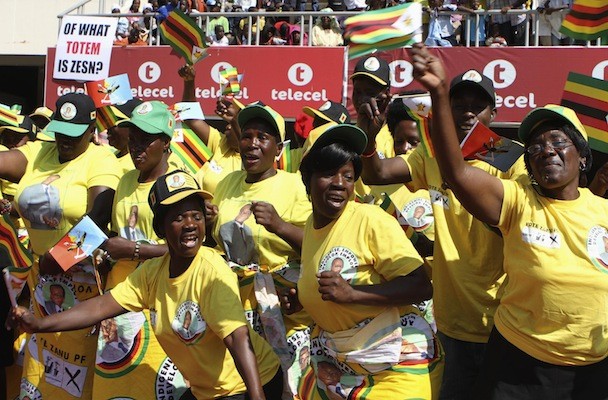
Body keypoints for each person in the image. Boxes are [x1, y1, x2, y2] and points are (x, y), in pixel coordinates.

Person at [409, 42, 608, 399]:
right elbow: (455, 172)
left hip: (591, 374)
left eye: (558, 141)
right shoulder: (517, 200)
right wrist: (439, 94)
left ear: (582, 157)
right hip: (517, 366)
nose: (546, 149)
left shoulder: (604, 213)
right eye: (534, 146)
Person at [8, 170, 283, 400]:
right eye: (178, 217)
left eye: (196, 216)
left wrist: (60, 258)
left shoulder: (101, 165)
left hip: (248, 383)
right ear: (161, 228)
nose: (189, 224)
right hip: (205, 388)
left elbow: (237, 338)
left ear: (164, 142)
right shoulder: (126, 182)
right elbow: (103, 305)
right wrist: (40, 324)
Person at [358, 66, 528, 399]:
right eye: (458, 103)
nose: (467, 112)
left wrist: (466, 186)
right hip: (451, 322)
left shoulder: (513, 158)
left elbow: (515, 229)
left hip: (504, 321)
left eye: (476, 106)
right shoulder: (431, 155)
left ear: (494, 112)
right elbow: (377, 173)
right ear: (445, 110)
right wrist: (368, 135)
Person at [293, 123, 443, 399]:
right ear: (307, 179)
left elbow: (421, 285)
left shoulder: (370, 219)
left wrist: (353, 294)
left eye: (348, 176)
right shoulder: (310, 228)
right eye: (328, 173)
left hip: (394, 371)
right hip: (342, 369)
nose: (339, 183)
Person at [0, 92, 121, 399]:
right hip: (41, 284)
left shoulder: (101, 158)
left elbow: (99, 218)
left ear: (92, 131)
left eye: (74, 134)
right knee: (42, 369)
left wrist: (61, 257)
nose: (64, 141)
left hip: (84, 288)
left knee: (78, 374)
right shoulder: (40, 151)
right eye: (60, 133)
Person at [211, 103, 312, 395]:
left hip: (284, 310)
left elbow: (320, 242)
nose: (252, 144)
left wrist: (280, 225)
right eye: (247, 136)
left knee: (288, 388)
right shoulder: (228, 183)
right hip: (236, 309)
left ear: (278, 148)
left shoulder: (295, 185)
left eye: (262, 137)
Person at [94, 100, 190, 399]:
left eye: (146, 140)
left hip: (159, 300)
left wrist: (134, 249)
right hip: (119, 300)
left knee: (157, 385)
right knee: (117, 385)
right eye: (133, 139)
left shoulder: (178, 183)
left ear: (165, 142)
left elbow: (189, 249)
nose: (137, 147)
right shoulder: (123, 180)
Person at [178, 65, 244, 194]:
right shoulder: (221, 142)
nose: (228, 127)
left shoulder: (253, 159)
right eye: (229, 123)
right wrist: (189, 82)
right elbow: (191, 118)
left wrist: (234, 119)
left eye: (234, 123)